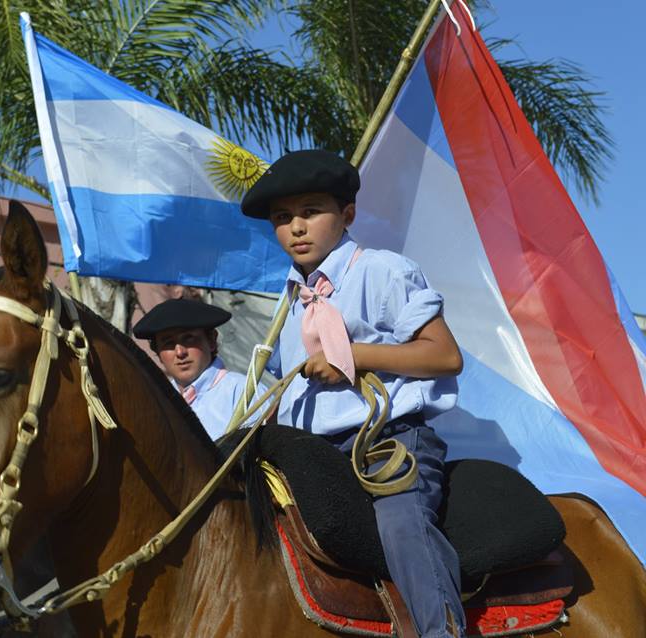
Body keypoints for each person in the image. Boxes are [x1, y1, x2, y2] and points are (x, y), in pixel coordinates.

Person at [241, 150, 465, 638]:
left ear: (347, 215)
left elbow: (445, 356)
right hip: (309, 456)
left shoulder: (383, 271)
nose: (296, 227)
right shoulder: (288, 300)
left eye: (310, 211)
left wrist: (354, 356)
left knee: (402, 526)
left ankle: (440, 632)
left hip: (390, 443)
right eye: (283, 218)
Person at [133, 298, 267, 440]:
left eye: (188, 338)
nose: (180, 352)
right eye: (168, 343)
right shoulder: (157, 403)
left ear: (211, 341)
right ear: (158, 352)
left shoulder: (245, 392)